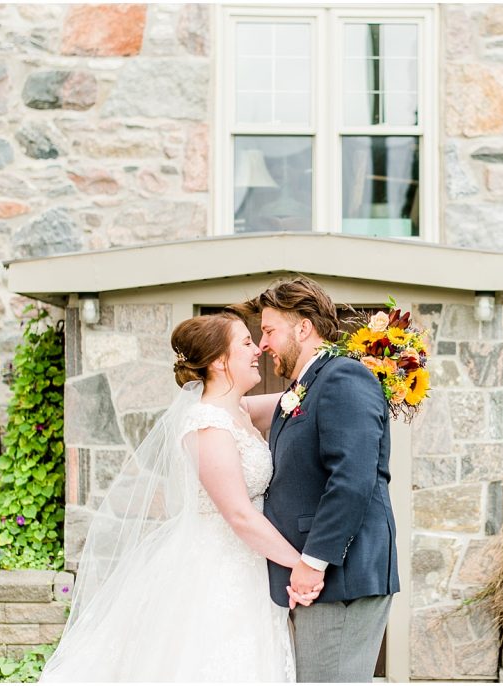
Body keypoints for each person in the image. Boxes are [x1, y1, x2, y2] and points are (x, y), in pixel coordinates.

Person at [41, 312, 318, 682]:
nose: (258, 350)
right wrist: (303, 565)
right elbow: (239, 515)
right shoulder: (207, 425)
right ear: (220, 361)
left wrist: (357, 365)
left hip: (250, 569)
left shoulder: (239, 410)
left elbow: (299, 396)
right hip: (219, 571)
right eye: (247, 343)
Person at [231, 276, 400, 683]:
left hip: (339, 576)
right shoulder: (307, 386)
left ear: (303, 327)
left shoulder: (344, 378)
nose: (264, 343)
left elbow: (352, 480)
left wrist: (312, 561)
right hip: (317, 580)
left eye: (269, 330)